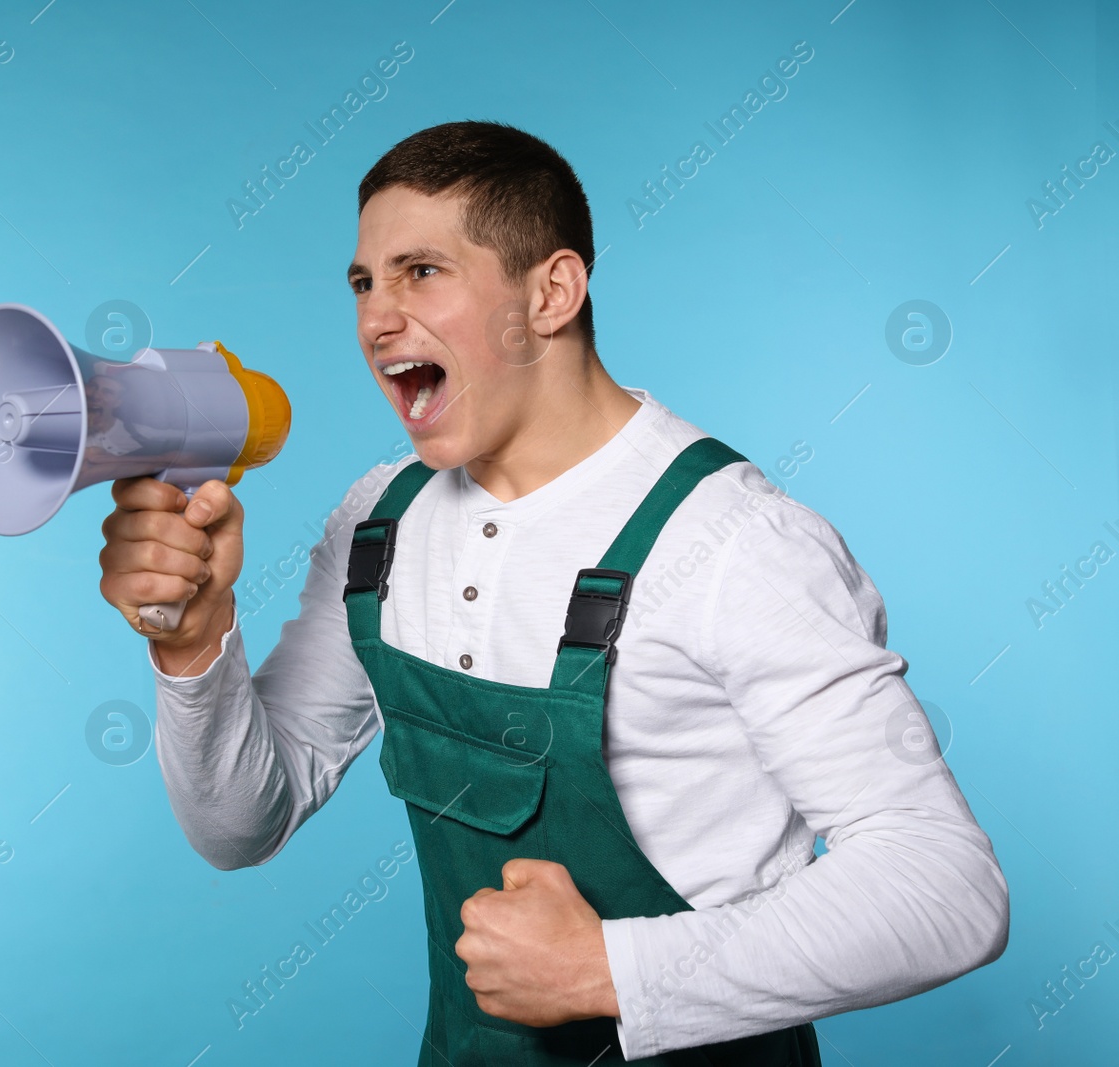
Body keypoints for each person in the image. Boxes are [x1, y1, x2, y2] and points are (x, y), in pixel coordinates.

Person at [96, 121, 1009, 1064]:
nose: (376, 318)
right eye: (365, 281)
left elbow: (946, 886)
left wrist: (608, 970)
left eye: (422, 272)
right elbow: (242, 823)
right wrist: (193, 644)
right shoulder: (381, 523)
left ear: (552, 293)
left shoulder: (736, 543)